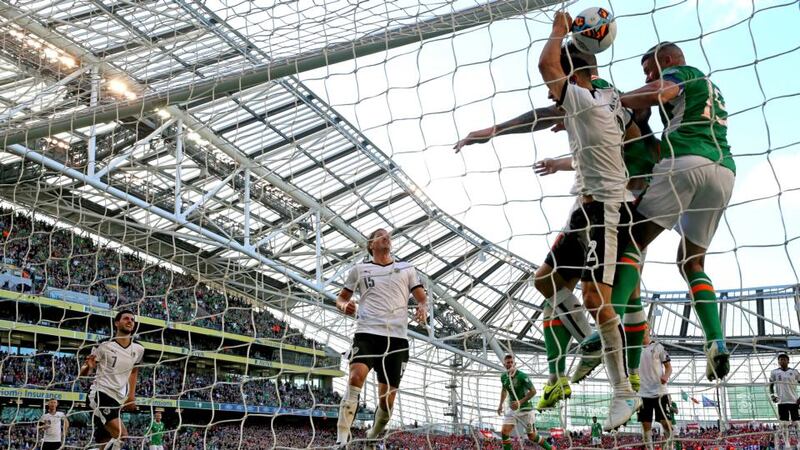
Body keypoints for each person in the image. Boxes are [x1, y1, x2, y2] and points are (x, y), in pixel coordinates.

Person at [606, 41, 736, 382]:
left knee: (632, 239)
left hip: (685, 162)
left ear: (666, 60)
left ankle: (607, 323)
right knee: (691, 262)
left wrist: (614, 101)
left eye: (649, 69)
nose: (649, 76)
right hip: (723, 171)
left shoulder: (681, 73)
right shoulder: (711, 89)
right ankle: (716, 341)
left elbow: (660, 91)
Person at [537, 11, 641, 430]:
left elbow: (546, 66)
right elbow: (630, 137)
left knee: (598, 300)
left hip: (605, 209)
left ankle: (624, 392)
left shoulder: (580, 99)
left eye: (557, 87)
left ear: (572, 76)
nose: (550, 95)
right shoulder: (610, 100)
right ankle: (590, 342)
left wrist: (559, 29)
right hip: (584, 207)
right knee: (544, 280)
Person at [334, 228, 428, 447]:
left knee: (387, 401)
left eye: (388, 235)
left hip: (396, 340)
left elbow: (422, 298)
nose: (386, 237)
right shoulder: (360, 269)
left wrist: (423, 308)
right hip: (367, 333)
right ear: (371, 244)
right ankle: (340, 441)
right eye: (380, 235)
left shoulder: (406, 268)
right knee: (355, 377)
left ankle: (372, 436)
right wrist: (344, 306)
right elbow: (341, 298)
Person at [80, 310, 144, 450]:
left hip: (117, 400)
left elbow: (134, 370)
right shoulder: (104, 345)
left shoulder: (138, 348)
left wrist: (131, 396)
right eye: (126, 318)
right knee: (122, 434)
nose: (130, 321)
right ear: (116, 323)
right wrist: (88, 367)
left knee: (105, 441)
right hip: (100, 394)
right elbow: (83, 373)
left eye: (132, 320)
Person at [496, 354, 552, 450]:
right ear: (504, 365)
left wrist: (520, 402)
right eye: (507, 363)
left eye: (511, 362)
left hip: (526, 409)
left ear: (515, 363)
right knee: (504, 432)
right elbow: (504, 391)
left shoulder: (522, 376)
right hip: (513, 409)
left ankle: (551, 448)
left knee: (532, 436)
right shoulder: (503, 377)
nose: (510, 364)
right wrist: (500, 405)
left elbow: (533, 391)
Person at [638, 331, 673, 450]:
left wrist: (666, 376)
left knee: (666, 423)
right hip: (643, 393)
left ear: (648, 330)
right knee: (645, 425)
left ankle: (669, 446)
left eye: (644, 327)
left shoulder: (658, 347)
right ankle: (649, 448)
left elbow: (668, 368)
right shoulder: (633, 349)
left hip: (660, 392)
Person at [769, 353, 800, 449]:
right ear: (778, 361)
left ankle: (799, 442)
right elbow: (771, 384)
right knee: (784, 424)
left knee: (797, 423)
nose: (782, 361)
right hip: (782, 401)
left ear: (788, 361)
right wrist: (772, 395)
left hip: (794, 400)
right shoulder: (774, 372)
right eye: (780, 359)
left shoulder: (794, 372)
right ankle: (787, 442)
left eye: (784, 359)